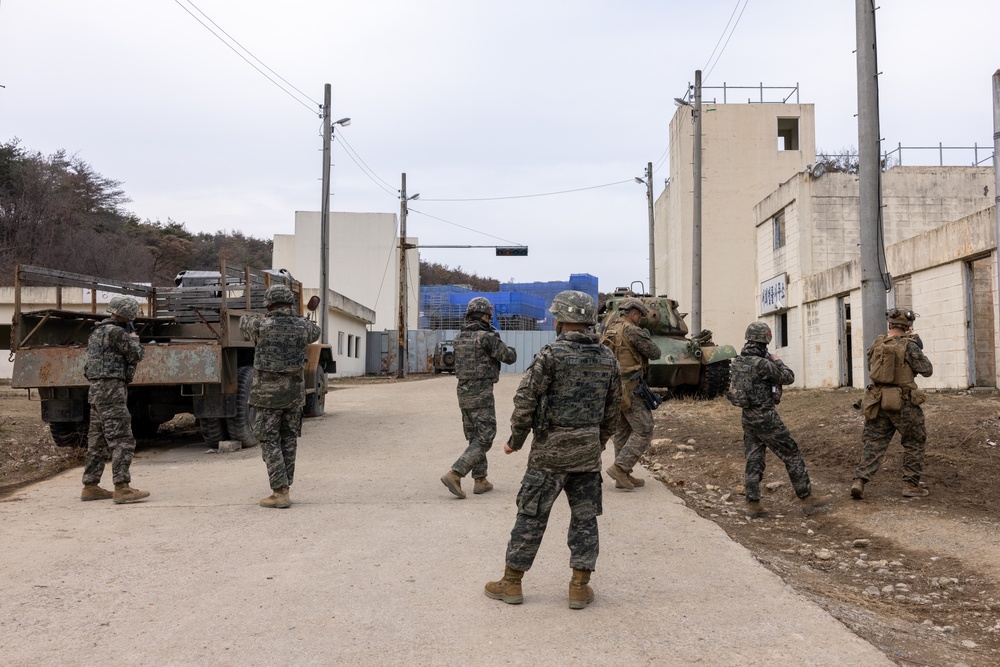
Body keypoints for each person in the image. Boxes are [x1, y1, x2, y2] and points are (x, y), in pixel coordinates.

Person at [485, 291, 621, 610]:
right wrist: (597, 442)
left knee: (531, 516)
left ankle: (512, 583)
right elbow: (614, 409)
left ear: (558, 321)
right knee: (585, 519)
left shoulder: (551, 354)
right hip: (587, 456)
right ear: (588, 321)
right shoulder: (607, 358)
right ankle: (578, 587)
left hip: (549, 454)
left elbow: (525, 401)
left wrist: (516, 440)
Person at [727, 322, 832, 518]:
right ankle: (807, 499)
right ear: (766, 340)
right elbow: (788, 377)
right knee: (791, 453)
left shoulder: (739, 361)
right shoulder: (763, 363)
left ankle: (753, 504)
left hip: (748, 417)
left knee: (754, 458)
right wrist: (778, 360)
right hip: (766, 416)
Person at [239, 284, 321, 509]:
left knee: (269, 440)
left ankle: (280, 490)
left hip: (267, 397)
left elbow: (243, 324)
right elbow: (315, 332)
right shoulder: (304, 327)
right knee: (288, 439)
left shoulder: (260, 325)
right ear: (290, 303)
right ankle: (286, 485)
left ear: (268, 303)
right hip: (294, 396)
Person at [851, 308, 934, 499]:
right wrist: (917, 347)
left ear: (889, 325)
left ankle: (859, 481)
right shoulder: (910, 345)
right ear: (909, 327)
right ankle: (910, 485)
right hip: (903, 402)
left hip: (877, 400)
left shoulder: (877, 344)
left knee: (873, 443)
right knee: (914, 441)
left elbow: (871, 367)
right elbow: (927, 370)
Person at [440, 297, 517, 499]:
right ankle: (455, 473)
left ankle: (480, 479)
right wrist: (501, 342)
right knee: (486, 436)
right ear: (485, 315)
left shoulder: (459, 337)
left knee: (475, 436)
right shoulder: (486, 337)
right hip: (481, 390)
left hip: (463, 390)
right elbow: (509, 357)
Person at [80, 295, 149, 504]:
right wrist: (135, 339)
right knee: (122, 439)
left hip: (95, 391)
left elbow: (88, 366)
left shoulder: (96, 332)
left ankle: (90, 485)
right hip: (112, 390)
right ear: (127, 315)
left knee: (97, 440)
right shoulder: (117, 333)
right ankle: (122, 488)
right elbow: (136, 355)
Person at [600, 298, 662, 490]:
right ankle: (620, 468)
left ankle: (623, 476)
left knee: (622, 431)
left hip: (614, 387)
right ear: (634, 314)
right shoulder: (632, 330)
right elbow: (655, 353)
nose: (639, 319)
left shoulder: (609, 328)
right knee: (645, 428)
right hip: (630, 387)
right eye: (639, 316)